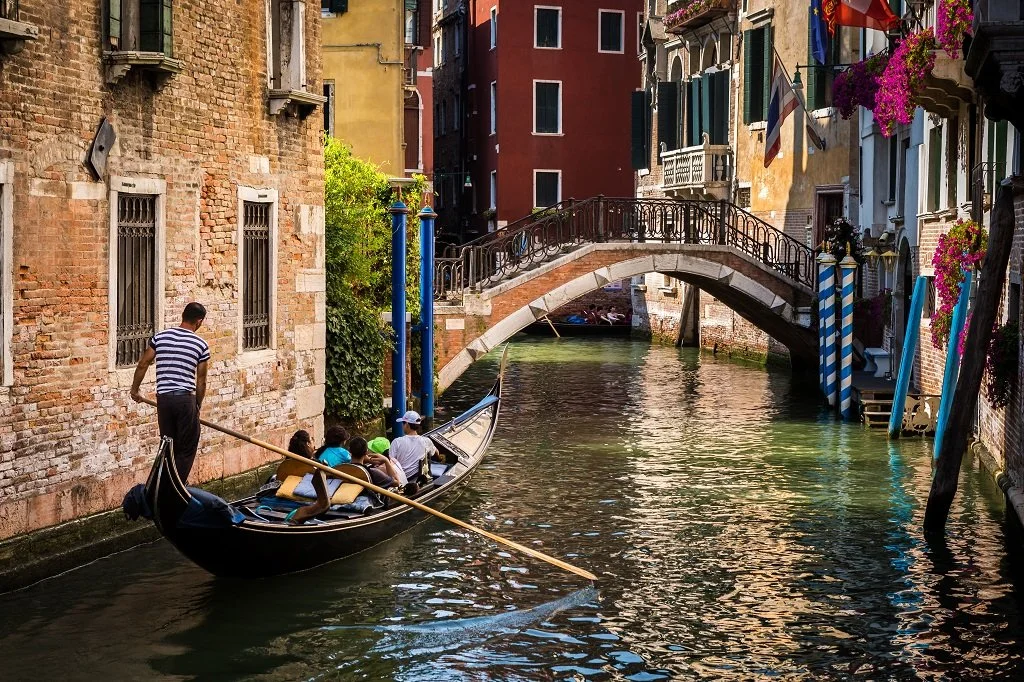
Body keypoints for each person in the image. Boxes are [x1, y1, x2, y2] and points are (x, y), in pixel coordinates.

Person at [130, 302, 210, 483]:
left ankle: (164, 483)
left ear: (183, 316)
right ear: (199, 321)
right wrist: (197, 405)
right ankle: (176, 485)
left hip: (164, 400)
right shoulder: (201, 344)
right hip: (184, 400)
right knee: (187, 446)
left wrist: (134, 390)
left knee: (167, 444)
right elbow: (201, 380)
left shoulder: (160, 337)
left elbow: (143, 363)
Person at [284, 430, 330, 525]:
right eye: (312, 440)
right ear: (308, 444)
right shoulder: (316, 465)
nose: (313, 442)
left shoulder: (287, 462)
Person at [390, 410, 438, 483]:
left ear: (407, 425)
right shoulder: (426, 441)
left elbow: (391, 463)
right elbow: (436, 452)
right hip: (417, 478)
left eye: (403, 423)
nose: (402, 425)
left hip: (401, 479)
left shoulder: (396, 442)